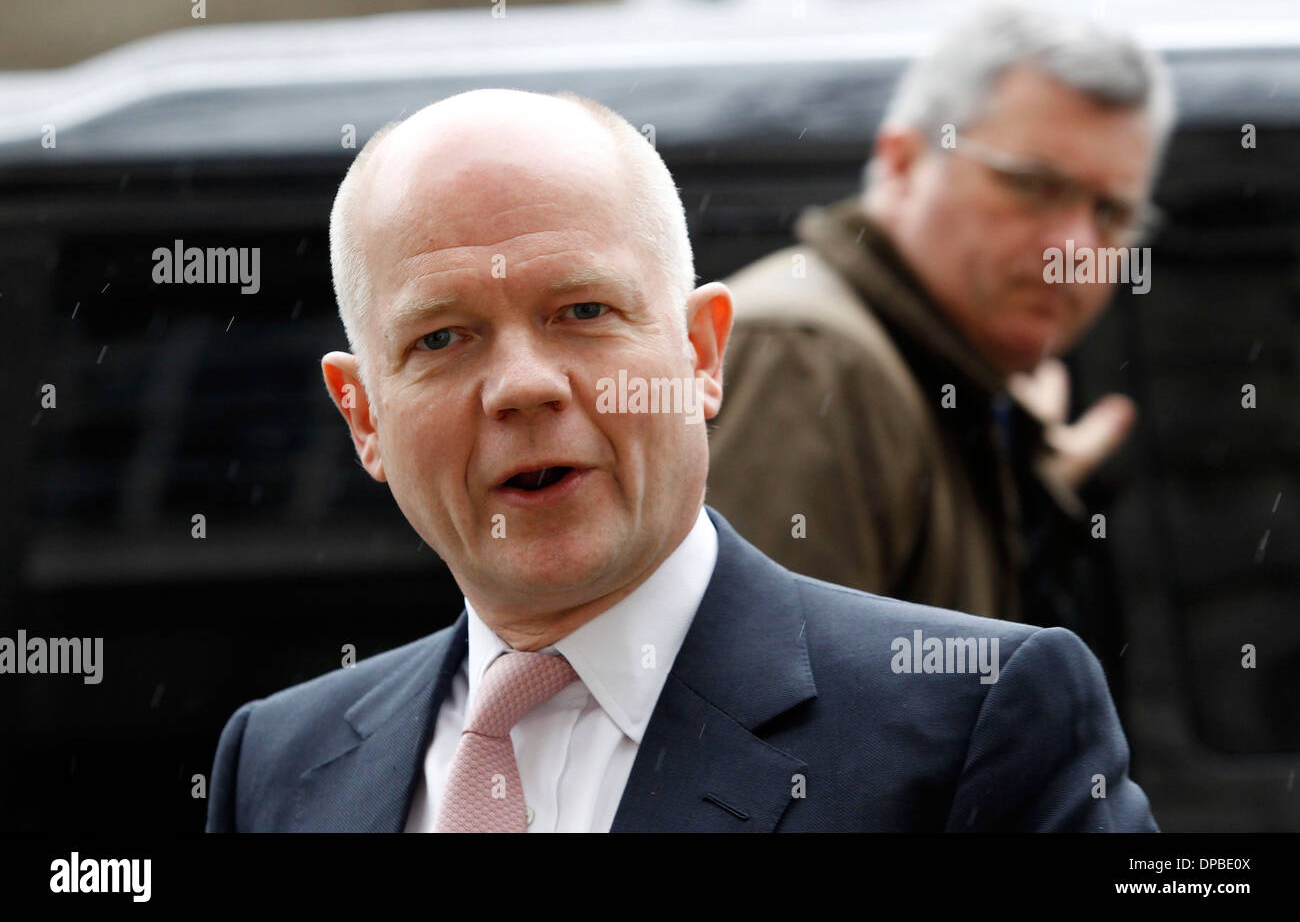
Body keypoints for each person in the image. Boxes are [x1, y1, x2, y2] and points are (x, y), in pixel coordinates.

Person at [205, 87, 1157, 832]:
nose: (522, 387)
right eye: (443, 339)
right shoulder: (281, 763)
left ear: (702, 354)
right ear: (363, 414)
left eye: (582, 312)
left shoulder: (975, 724)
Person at [706, 5, 1175, 663]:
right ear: (901, 165)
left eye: (1111, 212)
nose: (1075, 247)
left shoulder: (947, 383)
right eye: (1033, 185)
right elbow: (761, 723)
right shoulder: (812, 360)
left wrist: (1028, 487)